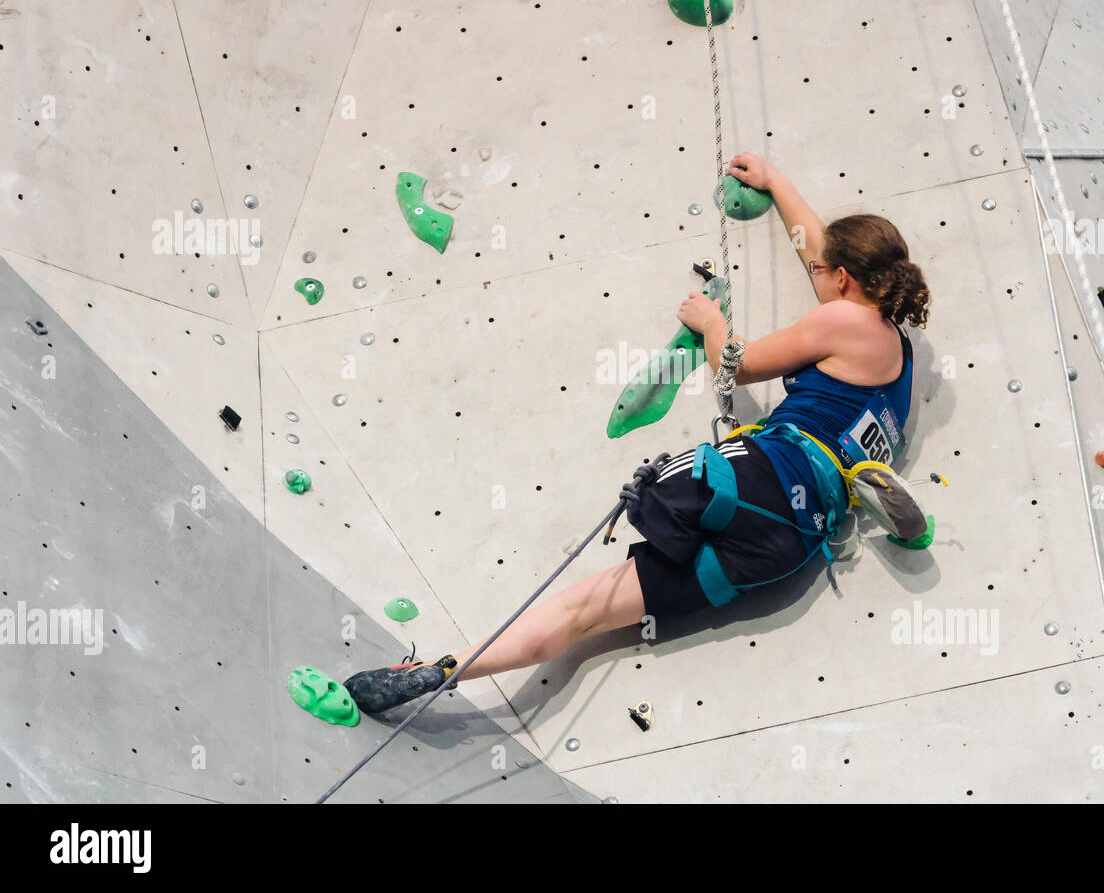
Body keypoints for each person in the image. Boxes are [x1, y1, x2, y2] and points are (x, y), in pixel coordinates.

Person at [345, 152, 932, 714]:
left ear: (847, 278)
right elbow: (820, 256)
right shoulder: (897, 361)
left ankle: (440, 667)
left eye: (825, 271)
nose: (815, 272)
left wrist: (710, 321)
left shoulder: (843, 317)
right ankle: (449, 668)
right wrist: (777, 183)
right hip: (789, 543)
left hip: (761, 476)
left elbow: (737, 363)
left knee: (624, 545)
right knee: (591, 613)